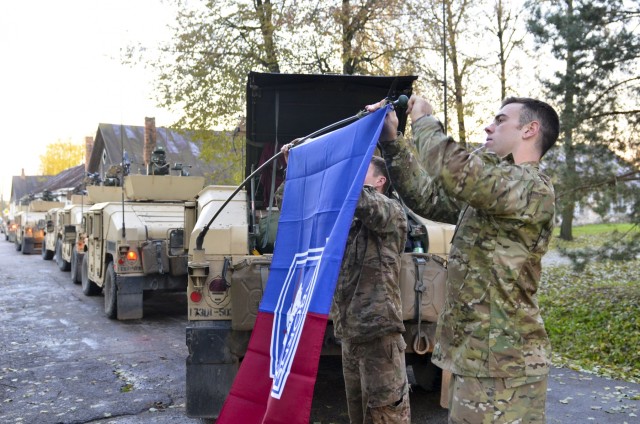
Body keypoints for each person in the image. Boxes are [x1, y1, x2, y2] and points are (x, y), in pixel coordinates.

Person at [367, 95, 560, 423]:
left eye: (500, 120)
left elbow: (457, 171)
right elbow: (425, 197)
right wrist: (391, 141)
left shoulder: (530, 188)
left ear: (530, 130)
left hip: (505, 365)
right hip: (474, 357)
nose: (489, 126)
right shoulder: (492, 192)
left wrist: (425, 120)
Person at [280, 146, 411, 424]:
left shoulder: (391, 213)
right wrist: (299, 171)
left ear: (380, 181)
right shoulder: (345, 221)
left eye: (360, 171)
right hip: (350, 337)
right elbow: (293, 204)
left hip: (379, 338)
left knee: (386, 417)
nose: (352, 175)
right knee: (358, 417)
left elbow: (358, 198)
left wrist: (326, 168)